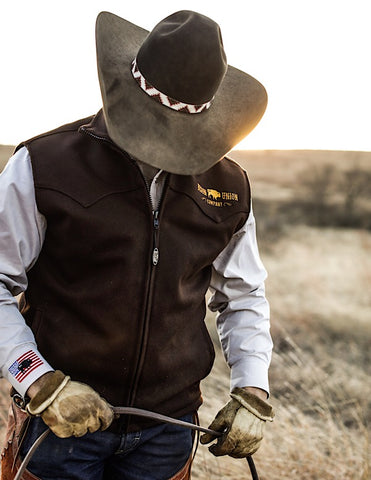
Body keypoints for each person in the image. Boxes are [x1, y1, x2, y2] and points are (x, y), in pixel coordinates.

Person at [0, 10, 274, 480]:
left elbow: (244, 295)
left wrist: (253, 390)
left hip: (168, 430)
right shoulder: (41, 165)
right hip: (58, 425)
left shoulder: (230, 187)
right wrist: (39, 380)